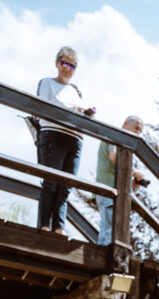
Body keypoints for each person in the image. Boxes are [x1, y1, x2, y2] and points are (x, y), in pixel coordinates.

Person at [36, 46, 92, 234]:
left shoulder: (76, 90)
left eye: (72, 65)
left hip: (75, 138)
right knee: (51, 182)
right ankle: (44, 225)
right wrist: (71, 111)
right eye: (64, 63)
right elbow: (43, 107)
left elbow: (81, 112)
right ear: (57, 63)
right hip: (53, 134)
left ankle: (59, 227)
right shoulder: (46, 83)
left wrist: (86, 113)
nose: (67, 68)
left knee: (66, 186)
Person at [95, 115, 145, 245]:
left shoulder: (121, 142)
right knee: (110, 229)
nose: (137, 132)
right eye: (136, 128)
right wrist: (133, 171)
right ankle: (105, 254)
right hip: (108, 190)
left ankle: (105, 251)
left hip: (112, 191)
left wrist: (131, 181)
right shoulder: (115, 136)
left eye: (140, 131)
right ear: (126, 123)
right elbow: (114, 158)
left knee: (110, 227)